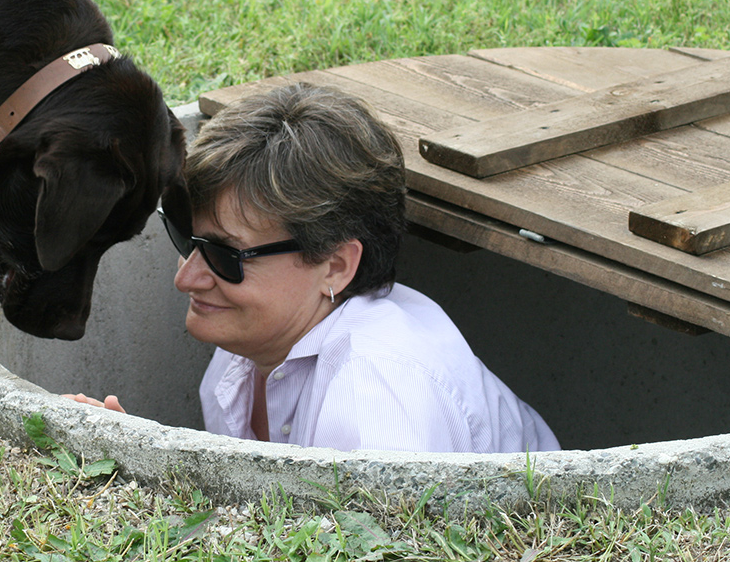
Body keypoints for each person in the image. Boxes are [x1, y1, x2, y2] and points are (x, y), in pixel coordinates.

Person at [66, 82, 559, 454]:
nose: (186, 277)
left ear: (336, 266)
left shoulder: (376, 406)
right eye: (185, 239)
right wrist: (135, 461)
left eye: (225, 256)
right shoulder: (249, 345)